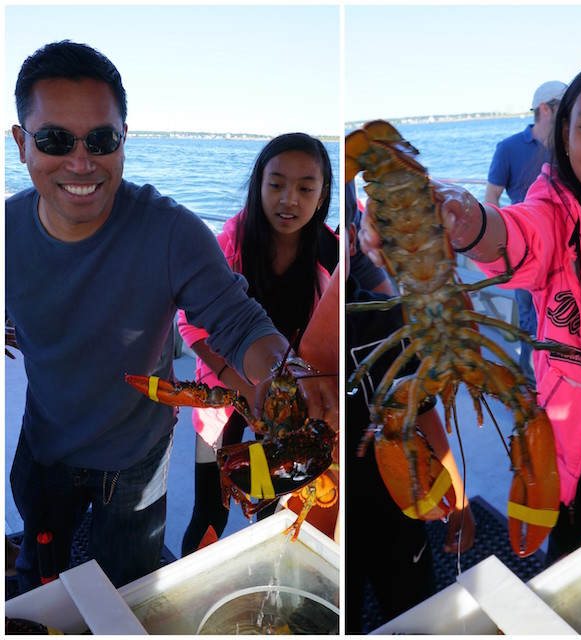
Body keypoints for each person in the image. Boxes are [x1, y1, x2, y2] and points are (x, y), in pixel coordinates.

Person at [5, 41, 338, 594]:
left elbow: (236, 320)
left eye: (102, 139)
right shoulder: (7, 232)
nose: (81, 162)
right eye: (55, 140)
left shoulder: (173, 231)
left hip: (137, 465)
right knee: (39, 585)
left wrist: (288, 371)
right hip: (43, 451)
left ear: (124, 141)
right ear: (21, 143)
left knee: (131, 597)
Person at [361, 57, 581, 565]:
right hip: (573, 418)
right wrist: (461, 218)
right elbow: (511, 235)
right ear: (564, 134)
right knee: (564, 537)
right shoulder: (551, 211)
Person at [177, 133, 340, 555]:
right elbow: (193, 327)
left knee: (272, 510)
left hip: (291, 420)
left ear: (323, 195)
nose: (289, 199)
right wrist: (248, 390)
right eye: (276, 184)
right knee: (210, 512)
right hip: (226, 403)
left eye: (306, 188)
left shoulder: (331, 253)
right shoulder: (230, 242)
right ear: (258, 184)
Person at [344, 194, 475, 632]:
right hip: (328, 518)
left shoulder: (393, 321)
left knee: (417, 615)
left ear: (353, 237)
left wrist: (457, 499)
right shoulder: (281, 327)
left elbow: (426, 415)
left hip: (400, 515)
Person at [484, 80, 567, 387]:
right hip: (527, 256)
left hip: (570, 253)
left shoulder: (572, 144)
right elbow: (490, 200)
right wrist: (501, 256)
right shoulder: (508, 148)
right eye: (565, 106)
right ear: (545, 109)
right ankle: (531, 395)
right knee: (532, 328)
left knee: (564, 326)